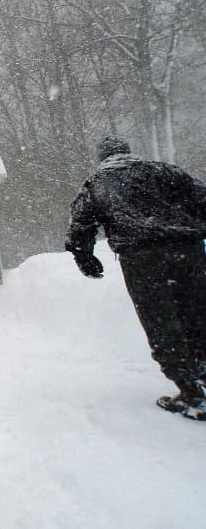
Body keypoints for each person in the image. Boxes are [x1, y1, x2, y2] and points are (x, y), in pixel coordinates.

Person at [65, 136, 206, 421]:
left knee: (161, 321)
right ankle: (201, 371)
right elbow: (202, 196)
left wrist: (85, 258)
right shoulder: (166, 171)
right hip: (186, 250)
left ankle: (191, 392)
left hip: (143, 260)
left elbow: (80, 225)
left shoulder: (97, 184)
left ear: (101, 156)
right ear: (127, 152)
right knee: (196, 313)